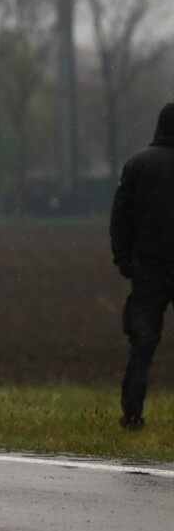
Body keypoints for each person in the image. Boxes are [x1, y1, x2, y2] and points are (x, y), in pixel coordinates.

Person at [109, 101, 174, 430]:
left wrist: (124, 261)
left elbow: (120, 218)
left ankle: (131, 414)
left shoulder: (137, 164)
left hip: (147, 272)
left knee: (143, 346)